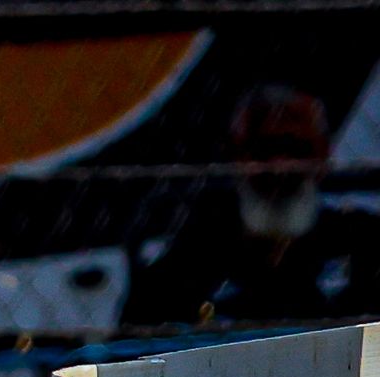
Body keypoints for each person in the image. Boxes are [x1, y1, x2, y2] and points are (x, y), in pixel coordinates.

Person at [123, 83, 380, 332]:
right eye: (265, 149)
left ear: (323, 154)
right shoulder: (199, 247)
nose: (280, 165)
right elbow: (142, 329)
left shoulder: (360, 240)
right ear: (236, 153)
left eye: (295, 148)